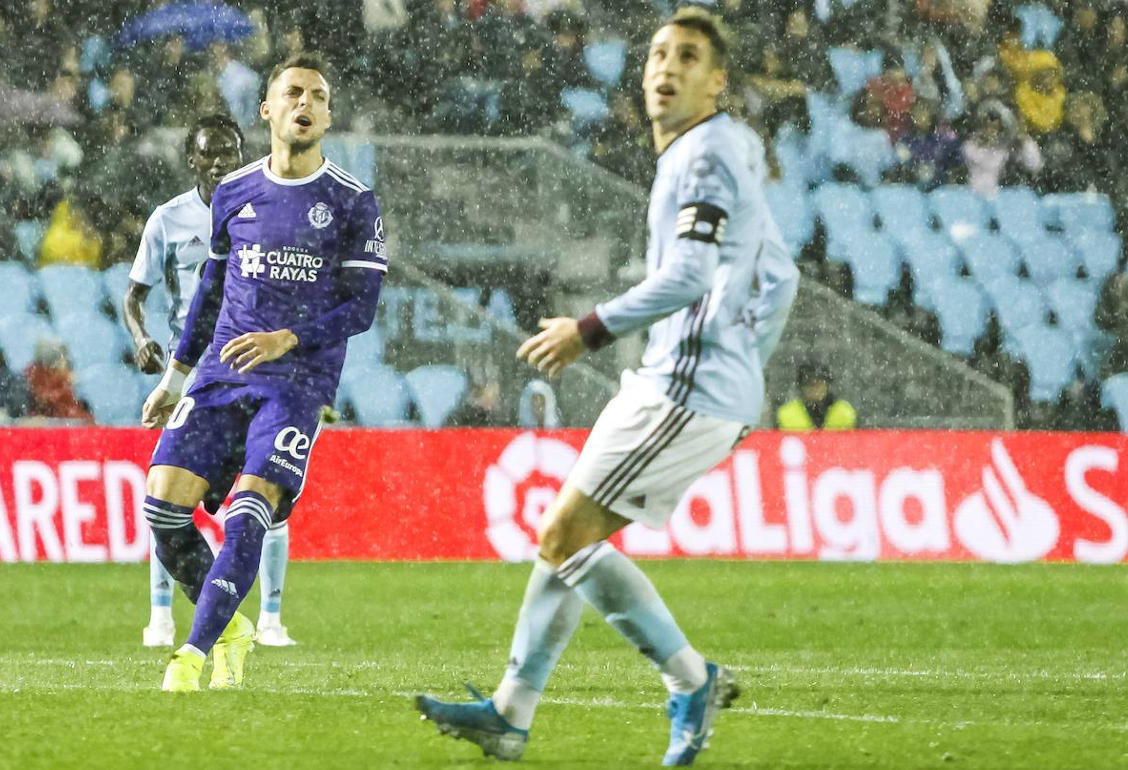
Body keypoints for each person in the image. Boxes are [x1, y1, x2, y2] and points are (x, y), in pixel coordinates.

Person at [416, 8, 798, 765]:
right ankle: (510, 713)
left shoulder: (705, 155)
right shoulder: (723, 150)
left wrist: (585, 330)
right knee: (564, 540)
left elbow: (689, 275)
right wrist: (746, 366)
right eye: (659, 52)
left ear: (716, 82)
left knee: (562, 537)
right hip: (693, 380)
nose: (667, 66)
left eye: (688, 57)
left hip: (682, 385)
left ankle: (690, 678)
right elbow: (779, 276)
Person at [141, 52, 386, 692]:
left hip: (297, 383)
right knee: (162, 509)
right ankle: (232, 627)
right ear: (268, 109)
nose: (305, 104)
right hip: (222, 375)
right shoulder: (234, 192)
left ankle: (192, 656)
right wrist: (174, 377)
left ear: (328, 116)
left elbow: (360, 308)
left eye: (318, 96)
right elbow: (210, 293)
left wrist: (289, 338)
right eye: (293, 93)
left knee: (252, 506)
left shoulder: (355, 202)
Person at [124, 113, 298, 649]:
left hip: (252, 369)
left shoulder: (267, 209)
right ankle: (162, 617)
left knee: (262, 492)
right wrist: (143, 341)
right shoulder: (168, 219)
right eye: (211, 153)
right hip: (190, 370)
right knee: (167, 499)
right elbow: (135, 296)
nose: (221, 161)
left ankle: (268, 617)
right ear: (192, 159)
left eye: (230, 151)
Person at [775, 359, 856, 430]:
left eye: (819, 382)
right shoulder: (787, 414)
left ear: (827, 385)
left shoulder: (845, 412)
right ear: (801, 387)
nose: (815, 387)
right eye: (809, 383)